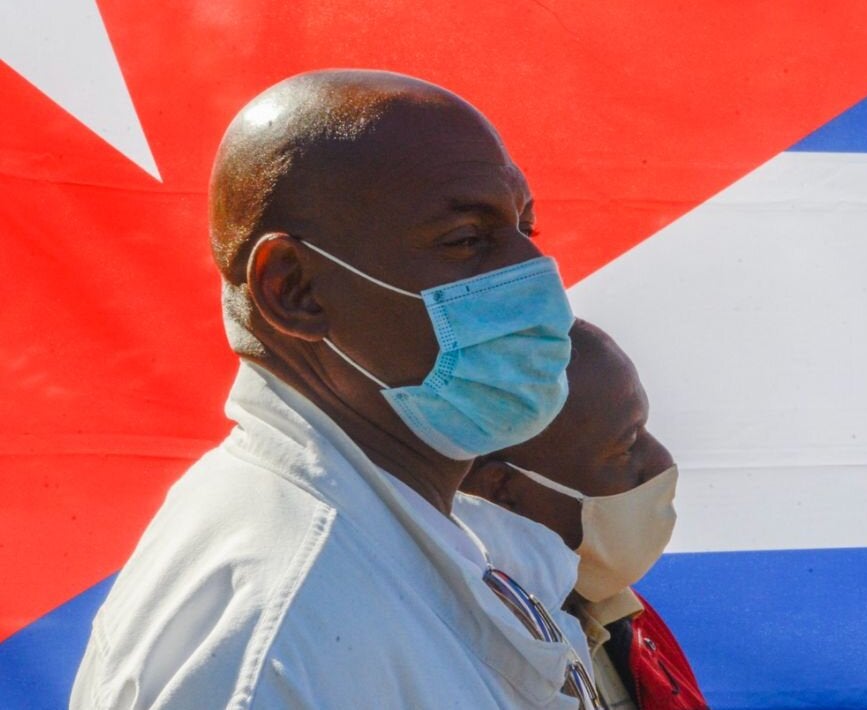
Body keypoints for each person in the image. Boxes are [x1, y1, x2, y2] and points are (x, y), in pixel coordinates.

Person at [71, 70, 602, 709]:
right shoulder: (281, 626)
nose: (535, 276)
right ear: (293, 289)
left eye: (527, 228)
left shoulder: (404, 529)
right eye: (466, 240)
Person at [464, 319, 708, 710]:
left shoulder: (627, 620)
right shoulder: (451, 659)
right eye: (626, 445)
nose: (661, 462)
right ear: (502, 492)